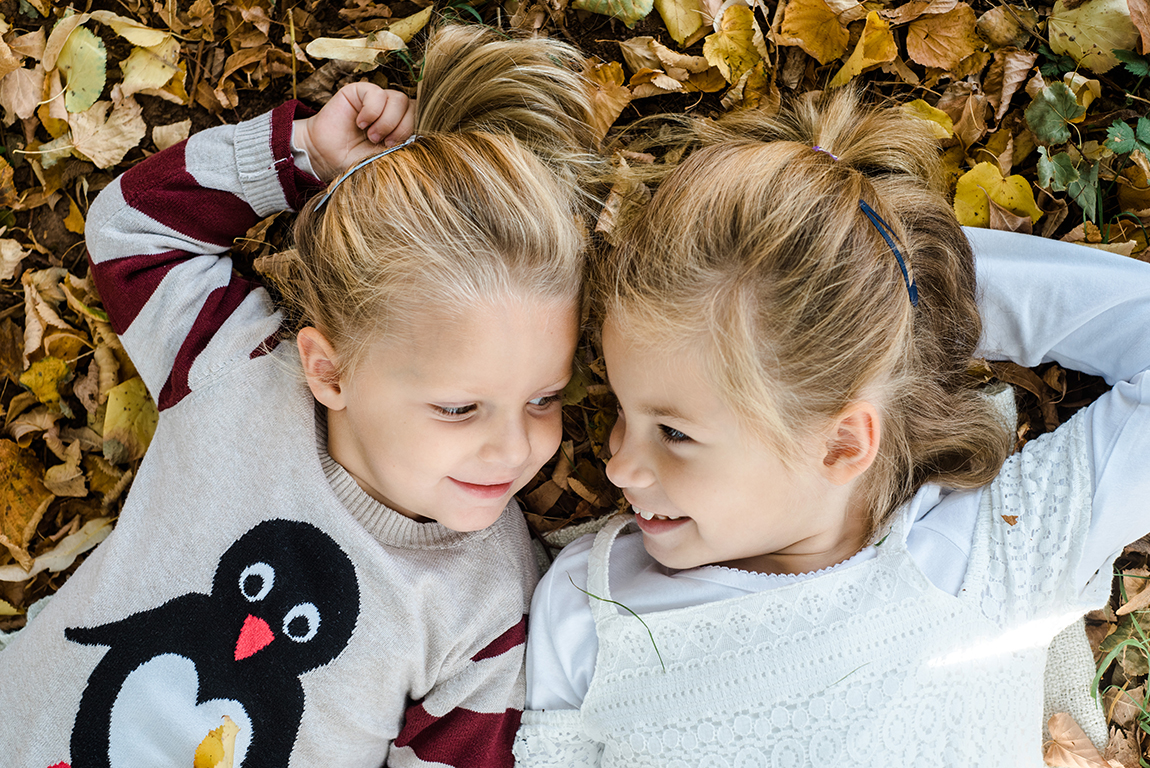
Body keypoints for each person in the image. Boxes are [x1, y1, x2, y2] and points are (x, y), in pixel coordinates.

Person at [0, 24, 599, 768]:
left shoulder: (488, 606)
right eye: (458, 407)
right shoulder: (240, 372)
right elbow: (130, 233)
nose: (516, 448)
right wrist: (306, 153)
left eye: (544, 398)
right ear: (330, 372)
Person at [514, 90, 1150, 765]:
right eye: (621, 410)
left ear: (842, 442)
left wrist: (901, 298)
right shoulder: (593, 605)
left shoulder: (999, 553)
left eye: (674, 434)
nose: (619, 468)